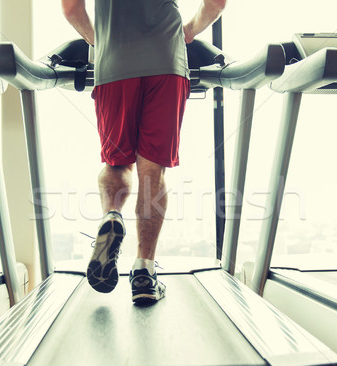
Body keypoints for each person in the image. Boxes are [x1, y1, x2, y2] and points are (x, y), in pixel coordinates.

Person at [62, 0, 227, 304]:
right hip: (166, 59)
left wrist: (102, 39)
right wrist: (187, 30)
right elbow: (216, 3)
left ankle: (112, 216)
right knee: (152, 173)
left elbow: (71, 9)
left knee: (117, 163)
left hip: (115, 63)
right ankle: (144, 273)